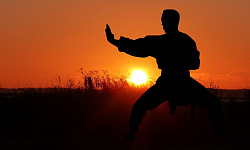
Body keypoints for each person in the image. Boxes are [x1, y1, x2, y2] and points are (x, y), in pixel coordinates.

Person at [105, 9, 224, 141]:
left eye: (164, 20)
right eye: (162, 20)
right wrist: (114, 41)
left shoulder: (180, 41)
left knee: (213, 103)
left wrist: (114, 41)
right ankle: (132, 133)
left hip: (180, 82)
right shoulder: (173, 41)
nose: (162, 23)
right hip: (170, 82)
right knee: (138, 106)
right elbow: (136, 46)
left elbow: (195, 64)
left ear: (172, 22)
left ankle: (217, 130)